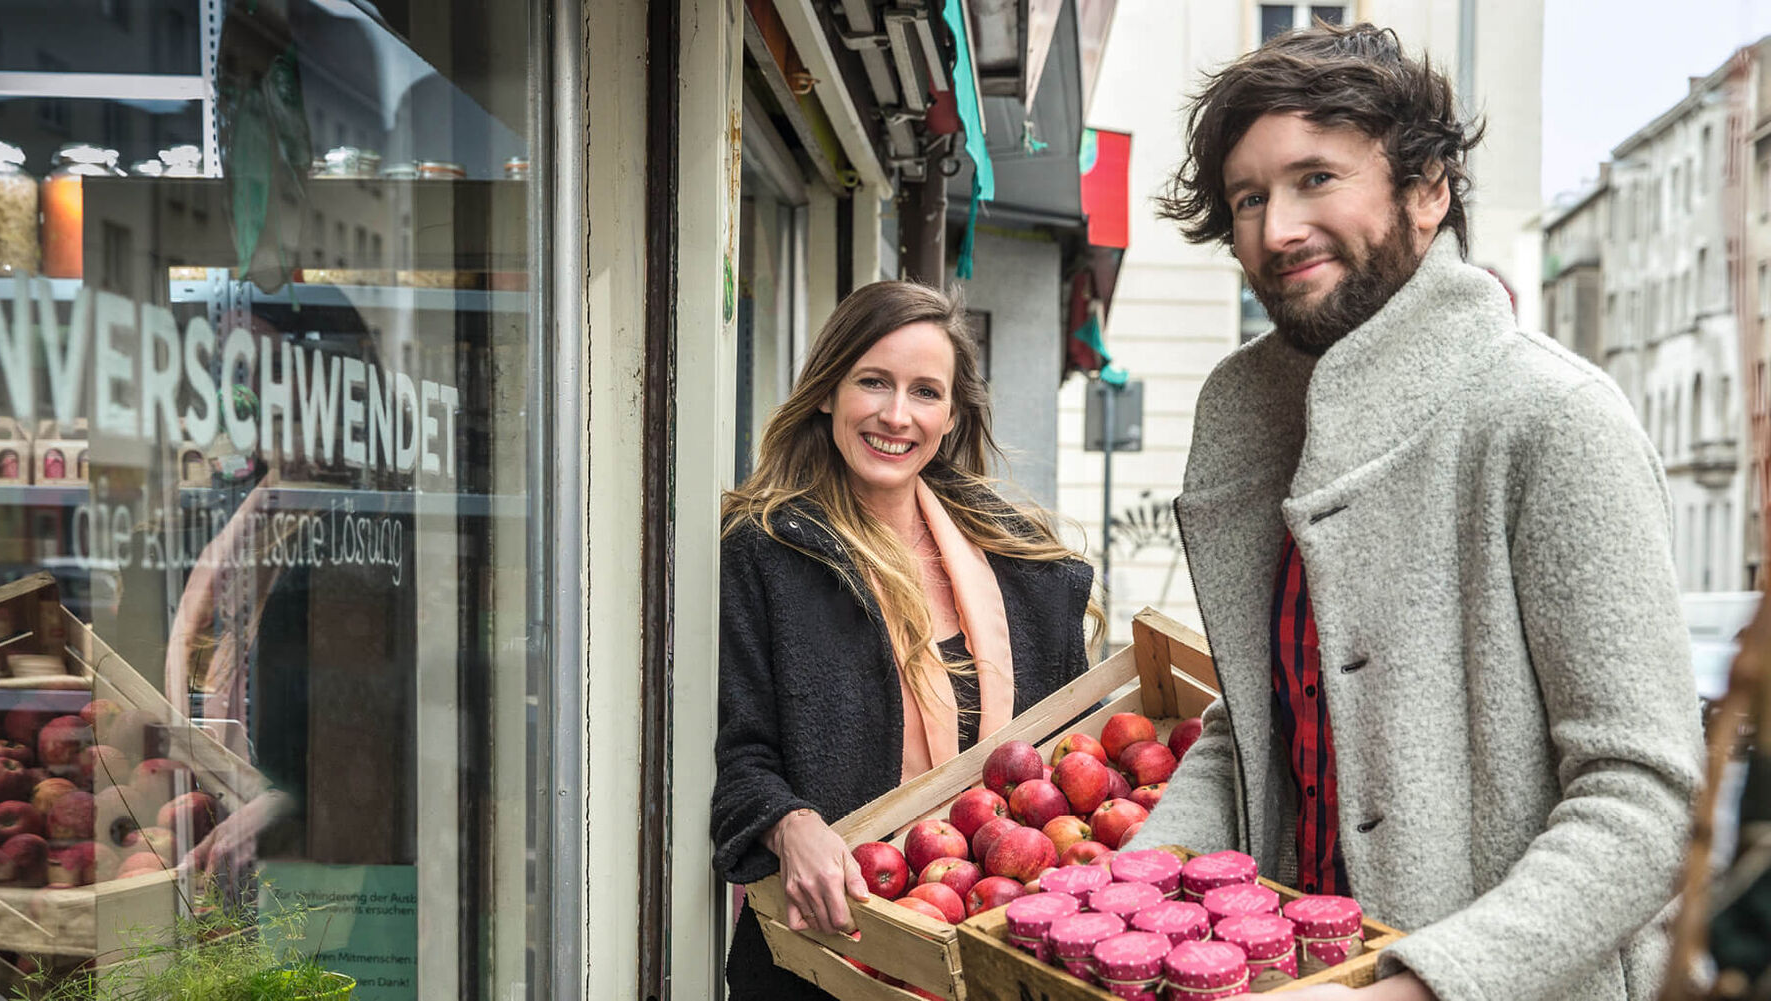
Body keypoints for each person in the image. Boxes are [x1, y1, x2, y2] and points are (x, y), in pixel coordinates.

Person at [1126, 21, 1705, 1001]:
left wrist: (1414, 989)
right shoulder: (1272, 422)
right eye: (1250, 198)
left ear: (1428, 191)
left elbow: (1646, 801)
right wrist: (1119, 892)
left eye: (1316, 178)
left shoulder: (1551, 419)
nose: (1276, 229)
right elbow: (1255, 732)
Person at [710, 281, 1099, 997]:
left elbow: (1069, 767)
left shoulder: (1022, 567)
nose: (896, 415)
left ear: (951, 414)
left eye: (925, 391)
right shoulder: (766, 550)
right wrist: (789, 824)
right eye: (873, 382)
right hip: (828, 950)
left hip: (1000, 946)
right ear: (828, 391)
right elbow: (740, 753)